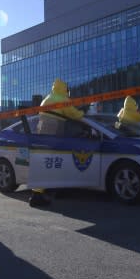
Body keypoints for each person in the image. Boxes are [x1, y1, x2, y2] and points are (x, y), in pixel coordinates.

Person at [30, 78, 84, 207]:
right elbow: (74, 114)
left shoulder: (48, 98)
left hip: (42, 132)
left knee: (46, 162)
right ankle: (38, 196)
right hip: (54, 132)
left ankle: (46, 191)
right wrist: (84, 111)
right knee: (52, 162)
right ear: (65, 89)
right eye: (67, 90)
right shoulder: (62, 99)